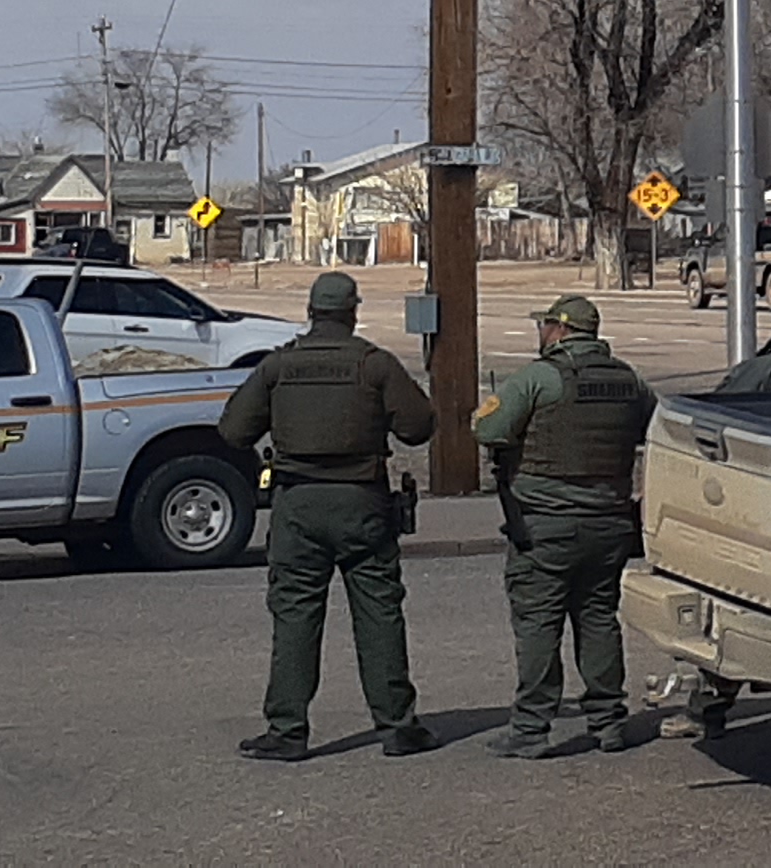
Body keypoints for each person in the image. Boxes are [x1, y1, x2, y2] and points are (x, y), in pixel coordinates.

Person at [218, 272, 438, 762]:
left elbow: (233, 430)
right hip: (362, 500)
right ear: (353, 312)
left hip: (297, 503)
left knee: (295, 616)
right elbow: (419, 428)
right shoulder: (374, 365)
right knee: (379, 613)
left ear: (311, 311)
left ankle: (288, 729)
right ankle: (397, 726)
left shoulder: (278, 366)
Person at [474, 294, 657, 758]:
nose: (541, 333)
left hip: (546, 525)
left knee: (538, 623)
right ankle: (609, 723)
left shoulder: (541, 377)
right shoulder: (629, 380)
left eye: (545, 326)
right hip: (610, 521)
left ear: (559, 329)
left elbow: (488, 430)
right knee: (598, 618)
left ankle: (532, 729)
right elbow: (655, 428)